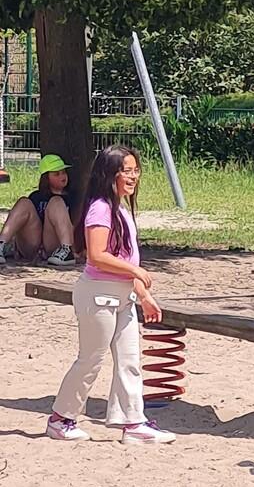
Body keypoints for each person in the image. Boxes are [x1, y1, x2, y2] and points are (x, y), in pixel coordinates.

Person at [46, 145, 175, 444]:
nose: (133, 177)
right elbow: (97, 255)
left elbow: (125, 261)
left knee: (130, 361)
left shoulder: (121, 209)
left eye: (136, 170)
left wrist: (143, 295)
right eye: (126, 171)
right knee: (91, 360)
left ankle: (133, 423)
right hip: (98, 296)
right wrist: (137, 272)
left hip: (123, 297)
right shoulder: (100, 208)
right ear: (109, 174)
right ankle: (60, 418)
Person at [0, 153, 76, 266]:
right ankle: (1, 244)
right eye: (56, 174)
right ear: (46, 178)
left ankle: (66, 251)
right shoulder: (36, 196)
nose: (62, 176)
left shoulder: (72, 198)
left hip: (53, 244)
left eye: (64, 172)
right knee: (23, 202)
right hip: (33, 243)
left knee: (56, 201)